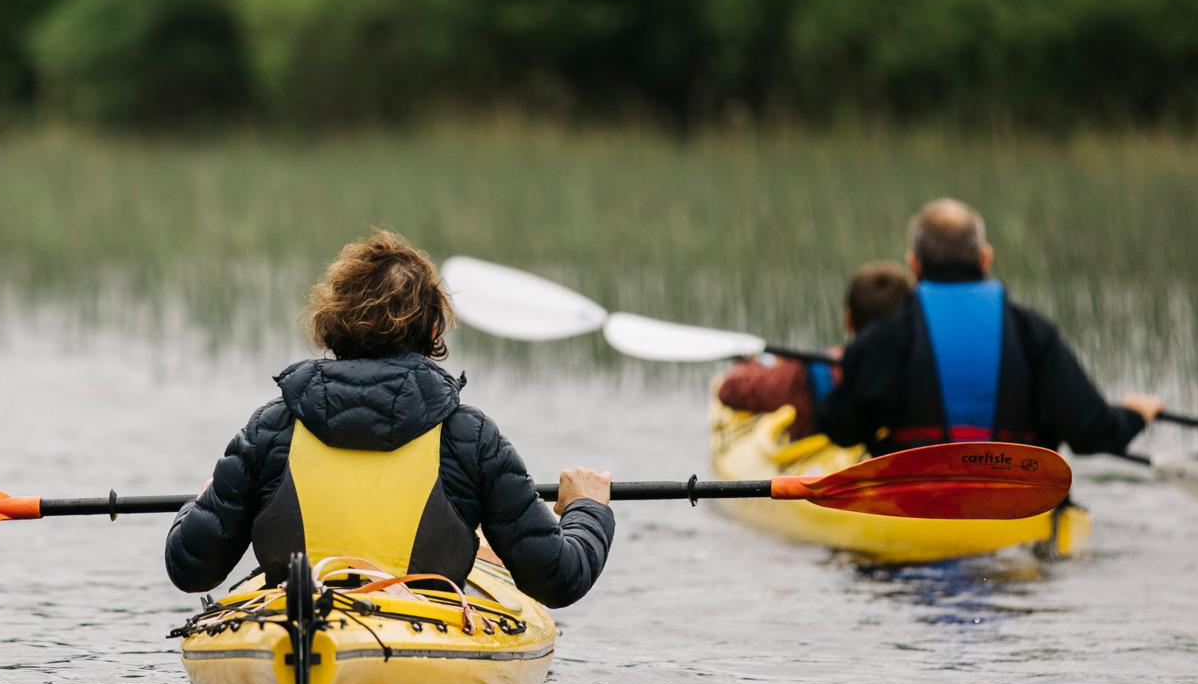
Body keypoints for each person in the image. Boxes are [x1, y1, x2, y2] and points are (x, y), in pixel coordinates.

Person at [166, 229, 615, 607]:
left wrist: (199, 506)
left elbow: (191, 568)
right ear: (434, 332)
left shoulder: (270, 428)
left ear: (331, 325)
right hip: (421, 625)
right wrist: (587, 508)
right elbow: (556, 579)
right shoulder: (471, 438)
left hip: (296, 616)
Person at [811, 198, 1159, 456]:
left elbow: (841, 428)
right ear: (985, 258)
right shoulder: (1032, 333)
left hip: (912, 504)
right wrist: (1136, 415)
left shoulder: (884, 340)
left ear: (914, 265)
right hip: (1011, 507)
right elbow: (1092, 433)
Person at [716, 260, 912, 435]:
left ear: (848, 320)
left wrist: (753, 365)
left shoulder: (803, 374)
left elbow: (729, 389)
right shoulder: (924, 367)